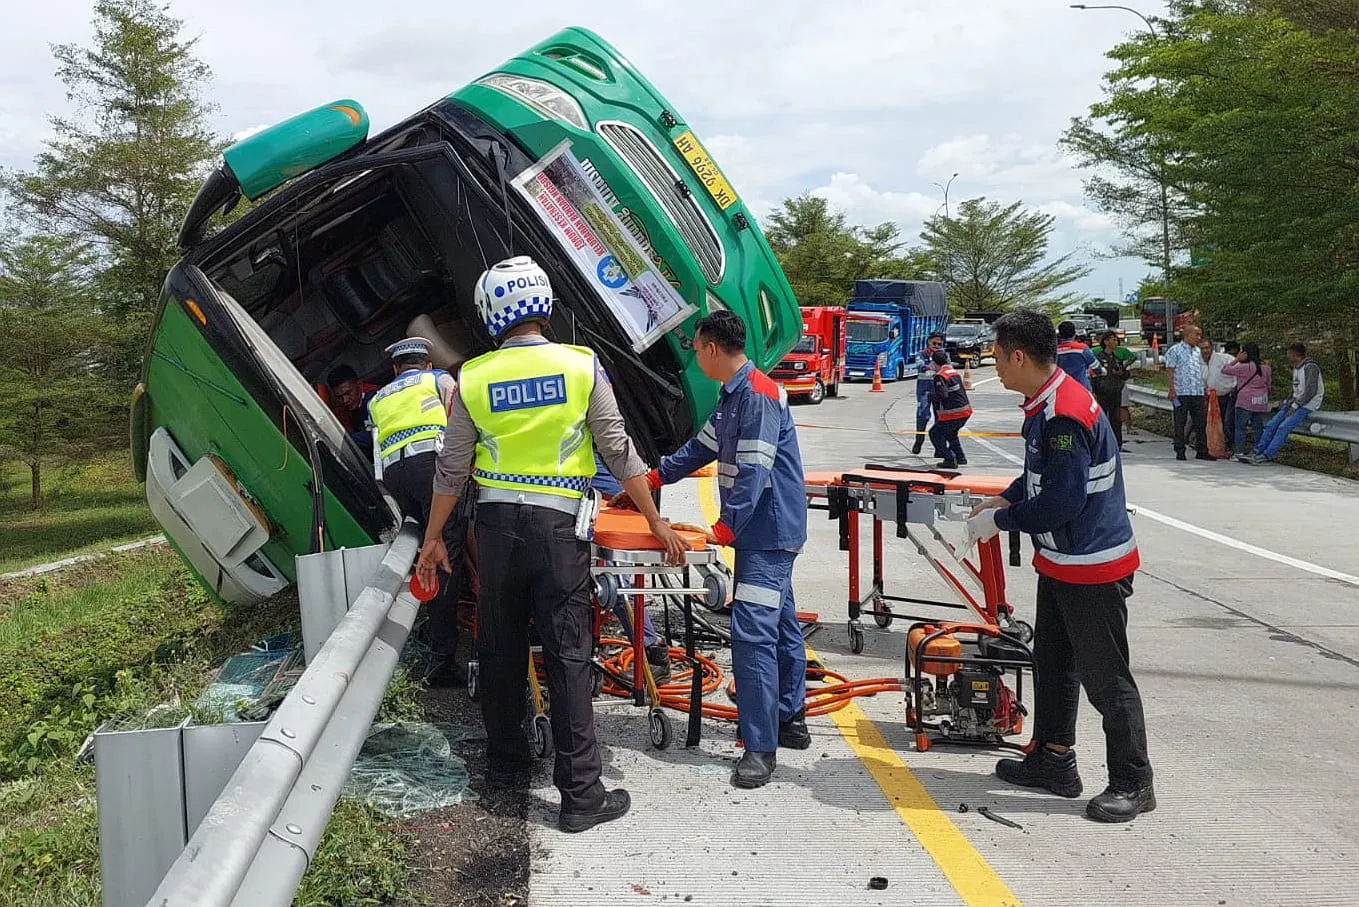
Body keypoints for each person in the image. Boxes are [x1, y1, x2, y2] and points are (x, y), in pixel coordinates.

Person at [415, 255, 686, 833]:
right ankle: (581, 797)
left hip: (495, 531)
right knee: (567, 653)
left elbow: (451, 468)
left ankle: (507, 764)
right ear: (544, 306)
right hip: (560, 530)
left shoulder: (472, 377)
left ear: (493, 313)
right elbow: (618, 449)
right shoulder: (583, 366)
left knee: (501, 644)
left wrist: (434, 538)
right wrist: (654, 521)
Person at [967, 311, 1154, 824]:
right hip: (1062, 561)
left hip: (1093, 564)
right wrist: (1000, 500)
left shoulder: (1064, 413)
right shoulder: (1045, 401)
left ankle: (1134, 782)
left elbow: (1064, 501)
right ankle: (1053, 760)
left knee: (1106, 678)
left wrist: (1003, 520)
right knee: (1053, 664)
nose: (997, 368)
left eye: (999, 357)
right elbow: (1037, 476)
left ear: (1019, 356)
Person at [621, 310, 810, 790]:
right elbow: (698, 450)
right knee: (782, 624)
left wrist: (722, 529)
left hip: (766, 535)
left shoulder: (760, 396)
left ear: (709, 348)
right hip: (762, 534)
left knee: (752, 635)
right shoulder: (732, 398)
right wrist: (653, 478)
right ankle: (790, 718)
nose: (695, 358)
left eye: (695, 349)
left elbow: (753, 475)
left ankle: (759, 748)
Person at [366, 338, 466, 685]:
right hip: (432, 470)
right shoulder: (439, 380)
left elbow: (378, 449)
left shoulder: (377, 398)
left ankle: (432, 627)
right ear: (426, 363)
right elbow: (460, 425)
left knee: (426, 542)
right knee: (445, 554)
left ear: (395, 369)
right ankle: (442, 658)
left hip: (397, 478)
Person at [590, 452, 671, 684]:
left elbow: (616, 449)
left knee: (612, 583)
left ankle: (652, 652)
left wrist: (652, 518)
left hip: (593, 475)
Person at [1244, 342, 1324, 464]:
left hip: (1307, 404)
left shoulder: (1310, 367)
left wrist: (1296, 405)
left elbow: (1310, 391)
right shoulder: (1296, 368)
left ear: (1294, 355)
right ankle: (1257, 452)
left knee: (1283, 427)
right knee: (1271, 425)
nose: (1287, 356)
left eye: (1289, 354)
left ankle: (1267, 455)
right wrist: (1288, 402)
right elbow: (1296, 389)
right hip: (1294, 403)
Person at [1162, 324, 1211, 461]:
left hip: (1196, 392)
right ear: (1187, 335)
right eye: (1197, 335)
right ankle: (1180, 449)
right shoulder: (1175, 350)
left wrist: (1204, 387)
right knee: (1180, 421)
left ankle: (1202, 450)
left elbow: (1200, 370)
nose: (1199, 338)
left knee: (1200, 422)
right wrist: (1172, 390)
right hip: (1181, 392)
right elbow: (1170, 370)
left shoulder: (1197, 351)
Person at [1224, 342, 1272, 460]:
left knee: (1240, 427)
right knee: (1258, 427)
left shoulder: (1244, 367)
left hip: (1245, 400)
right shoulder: (1266, 368)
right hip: (1260, 401)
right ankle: (1258, 451)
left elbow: (1225, 369)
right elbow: (1269, 385)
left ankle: (1239, 452)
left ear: (1245, 353)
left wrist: (1236, 359)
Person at [928, 349, 972, 469]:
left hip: (954, 413)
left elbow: (943, 394)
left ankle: (949, 458)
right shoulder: (953, 372)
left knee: (934, 433)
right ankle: (960, 457)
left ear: (935, 362)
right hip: (965, 411)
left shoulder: (940, 376)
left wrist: (931, 395)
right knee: (951, 434)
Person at [325, 364, 380, 459]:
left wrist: (346, 440)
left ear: (358, 385)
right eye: (339, 397)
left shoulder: (376, 399)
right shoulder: (343, 409)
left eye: (348, 393)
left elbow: (376, 436)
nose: (345, 400)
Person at [1092, 331, 1135, 450]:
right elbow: (1093, 375)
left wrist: (1122, 373)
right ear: (1106, 342)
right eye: (1113, 340)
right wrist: (1093, 391)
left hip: (1115, 392)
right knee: (1101, 420)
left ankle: (1117, 444)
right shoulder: (1098, 358)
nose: (1115, 342)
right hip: (1101, 393)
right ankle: (1100, 445)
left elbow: (1125, 375)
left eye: (1116, 340)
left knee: (1116, 419)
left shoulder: (1117, 358)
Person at [1200, 336, 1237, 451]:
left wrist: (1234, 389)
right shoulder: (1199, 362)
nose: (1205, 351)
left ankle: (1230, 446)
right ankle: (1215, 445)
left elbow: (1238, 373)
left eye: (1207, 348)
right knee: (1213, 424)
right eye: (1202, 348)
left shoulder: (1225, 359)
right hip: (1211, 398)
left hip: (1228, 395)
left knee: (1227, 422)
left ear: (1212, 347)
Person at [912, 332, 946, 455]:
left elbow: (948, 367)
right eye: (934, 343)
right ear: (929, 342)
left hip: (939, 390)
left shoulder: (943, 355)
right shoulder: (922, 354)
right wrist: (930, 367)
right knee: (923, 415)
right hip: (924, 390)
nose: (936, 346)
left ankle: (939, 448)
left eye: (939, 344)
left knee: (940, 418)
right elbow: (920, 365)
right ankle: (919, 440)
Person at [1056, 321, 1103, 391]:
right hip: (1081, 389)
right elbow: (1096, 367)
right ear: (1074, 334)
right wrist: (1101, 371)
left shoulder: (1054, 351)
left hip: (1061, 389)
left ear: (1059, 334)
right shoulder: (1082, 348)